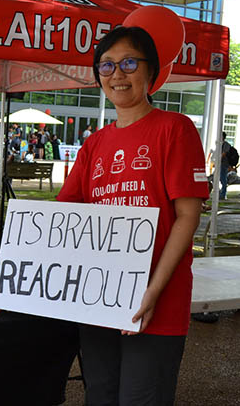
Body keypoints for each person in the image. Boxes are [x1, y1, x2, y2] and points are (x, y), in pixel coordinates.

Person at [56, 26, 207, 405]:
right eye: (106, 66)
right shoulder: (95, 143)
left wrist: (153, 290)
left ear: (151, 72)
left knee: (141, 398)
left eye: (128, 63)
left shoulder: (176, 129)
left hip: (156, 303)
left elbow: (188, 216)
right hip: (97, 299)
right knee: (101, 396)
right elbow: (61, 214)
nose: (117, 74)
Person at [220, 132, 231, 200]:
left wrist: (219, 159)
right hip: (221, 163)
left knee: (223, 179)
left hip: (224, 164)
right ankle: (222, 192)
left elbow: (224, 154)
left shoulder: (226, 145)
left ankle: (223, 194)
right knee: (220, 178)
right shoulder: (221, 144)